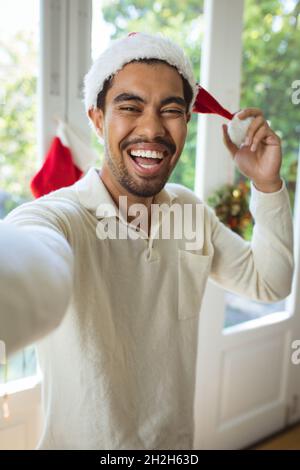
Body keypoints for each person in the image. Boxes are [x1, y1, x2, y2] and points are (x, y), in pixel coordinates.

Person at [0, 32, 294, 449]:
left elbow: (271, 282)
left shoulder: (189, 212)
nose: (152, 128)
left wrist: (266, 184)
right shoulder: (60, 219)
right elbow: (27, 258)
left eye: (171, 110)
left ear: (187, 123)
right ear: (98, 118)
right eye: (130, 107)